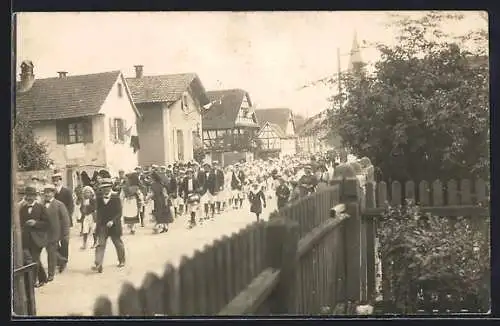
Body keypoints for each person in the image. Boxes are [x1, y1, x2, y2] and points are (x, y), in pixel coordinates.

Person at [92, 178, 125, 273]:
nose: (105, 190)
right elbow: (97, 211)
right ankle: (98, 263)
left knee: (118, 243)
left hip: (114, 225)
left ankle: (122, 260)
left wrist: (113, 221)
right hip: (102, 225)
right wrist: (97, 223)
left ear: (111, 187)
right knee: (100, 244)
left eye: (107, 187)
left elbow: (119, 212)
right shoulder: (98, 198)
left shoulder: (116, 197)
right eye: (103, 188)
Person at [19, 185, 49, 287]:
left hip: (38, 239)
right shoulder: (22, 209)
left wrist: (35, 223)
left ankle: (33, 281)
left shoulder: (41, 207)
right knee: (32, 259)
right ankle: (43, 278)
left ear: (35, 196)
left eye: (31, 195)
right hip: (26, 238)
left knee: (34, 259)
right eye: (27, 195)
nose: (29, 198)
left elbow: (46, 224)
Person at [42, 184, 70, 282]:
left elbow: (66, 220)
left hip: (55, 233)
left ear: (53, 193)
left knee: (50, 253)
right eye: (45, 192)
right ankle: (62, 260)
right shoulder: (41, 204)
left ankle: (51, 274)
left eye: (49, 192)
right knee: (50, 251)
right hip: (44, 232)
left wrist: (65, 233)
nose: (47, 194)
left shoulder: (59, 204)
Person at [51, 172, 74, 273]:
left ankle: (63, 261)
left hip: (65, 220)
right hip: (54, 221)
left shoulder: (67, 191)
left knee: (65, 241)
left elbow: (71, 205)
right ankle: (60, 259)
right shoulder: (52, 192)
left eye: (57, 180)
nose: (56, 182)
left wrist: (67, 217)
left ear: (61, 180)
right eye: (54, 180)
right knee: (55, 241)